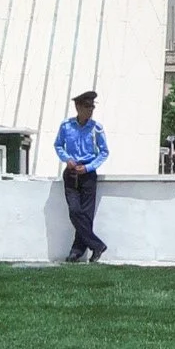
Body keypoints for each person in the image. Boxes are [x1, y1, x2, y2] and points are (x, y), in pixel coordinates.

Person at [53, 90, 108, 262]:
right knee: (75, 211)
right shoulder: (66, 126)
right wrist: (66, 159)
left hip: (88, 174)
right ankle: (97, 245)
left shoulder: (96, 128)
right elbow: (58, 145)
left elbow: (104, 152)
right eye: (86, 106)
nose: (90, 110)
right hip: (71, 172)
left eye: (92, 107)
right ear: (77, 107)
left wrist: (89, 167)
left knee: (86, 213)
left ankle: (76, 251)